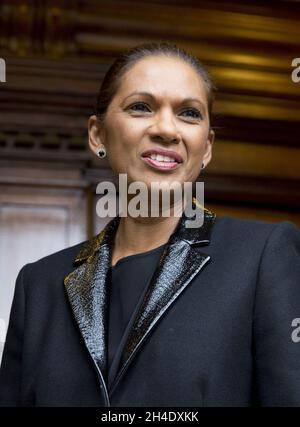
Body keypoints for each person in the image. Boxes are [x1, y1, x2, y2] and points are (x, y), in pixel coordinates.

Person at [0, 41, 300, 407]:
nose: (166, 129)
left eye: (189, 113)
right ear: (97, 134)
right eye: (141, 107)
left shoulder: (262, 256)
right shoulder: (39, 285)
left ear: (206, 147)